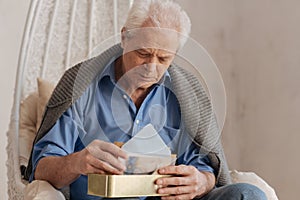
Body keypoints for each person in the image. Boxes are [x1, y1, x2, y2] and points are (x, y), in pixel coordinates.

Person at [25, 0, 267, 199]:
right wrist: (77, 162)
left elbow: (205, 166)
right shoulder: (82, 87)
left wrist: (201, 181)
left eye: (163, 58)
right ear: (125, 38)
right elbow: (41, 167)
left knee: (248, 194)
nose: (151, 67)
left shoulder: (184, 94)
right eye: (143, 53)